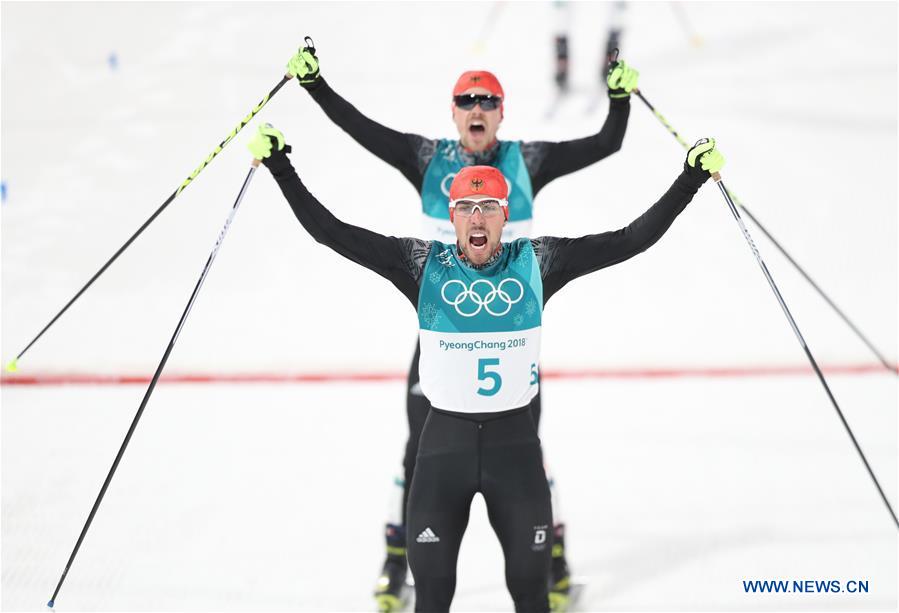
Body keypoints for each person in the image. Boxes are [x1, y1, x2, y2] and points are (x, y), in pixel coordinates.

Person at [247, 123, 725, 612]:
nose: (478, 218)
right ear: (452, 217)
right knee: (432, 599)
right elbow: (333, 233)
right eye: (467, 209)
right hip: (442, 454)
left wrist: (689, 179)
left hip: (514, 452)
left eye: (489, 207)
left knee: (531, 598)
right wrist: (281, 166)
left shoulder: (539, 262)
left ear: (505, 215)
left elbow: (629, 240)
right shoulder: (420, 264)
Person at [284, 42, 640, 610]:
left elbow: (607, 143)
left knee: (523, 444)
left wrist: (619, 97)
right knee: (419, 448)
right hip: (441, 324)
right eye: (466, 100)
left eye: (488, 100)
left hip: (507, 328)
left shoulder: (530, 162)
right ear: (453, 113)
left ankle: (551, 554)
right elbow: (361, 130)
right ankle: (398, 555)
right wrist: (314, 86)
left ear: (502, 112)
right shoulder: (429, 160)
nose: (477, 109)